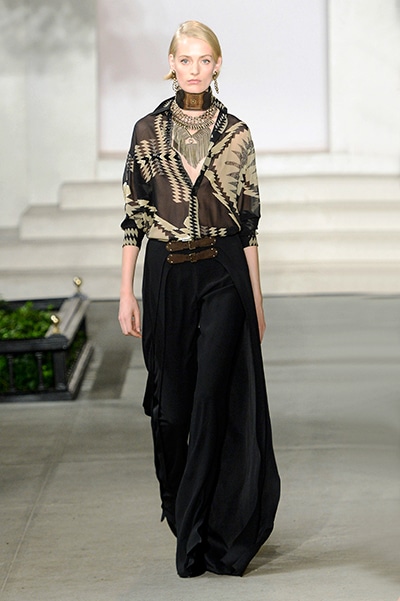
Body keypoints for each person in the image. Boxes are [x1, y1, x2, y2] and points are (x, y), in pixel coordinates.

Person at [118, 20, 280, 578]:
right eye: (185, 59)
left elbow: (249, 225)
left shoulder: (237, 133)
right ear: (171, 64)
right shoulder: (147, 132)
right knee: (171, 409)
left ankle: (208, 535)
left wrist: (256, 299)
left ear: (217, 65)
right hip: (166, 274)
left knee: (215, 399)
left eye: (203, 59)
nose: (194, 69)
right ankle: (181, 509)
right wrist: (125, 292)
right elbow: (134, 219)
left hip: (222, 271)